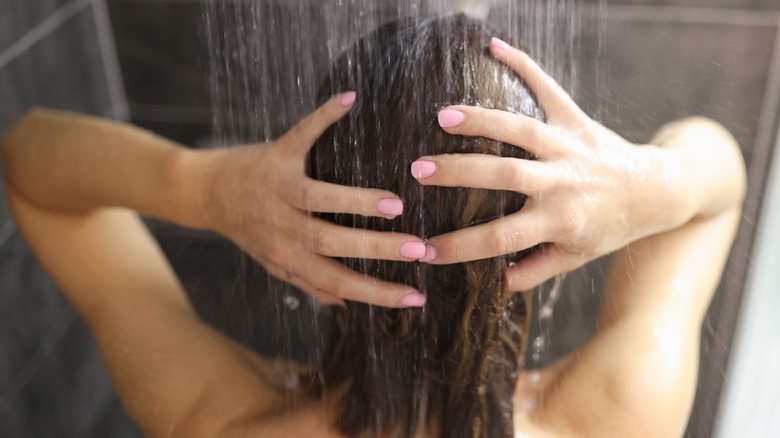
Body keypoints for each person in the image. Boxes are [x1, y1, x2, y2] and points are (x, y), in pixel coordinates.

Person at [1, 14, 745, 438]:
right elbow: (719, 177)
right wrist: (642, 186)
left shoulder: (218, 420)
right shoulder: (618, 415)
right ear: (551, 241)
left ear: (302, 243)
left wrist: (204, 186)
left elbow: (31, 163)